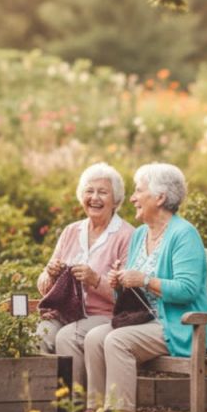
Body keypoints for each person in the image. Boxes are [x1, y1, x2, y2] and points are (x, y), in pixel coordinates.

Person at [84, 163, 207, 412]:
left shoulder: (184, 234)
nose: (132, 198)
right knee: (95, 337)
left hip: (180, 325)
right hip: (143, 321)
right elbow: (131, 291)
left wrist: (143, 279)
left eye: (138, 191)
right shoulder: (140, 234)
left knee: (117, 341)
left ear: (160, 198)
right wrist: (119, 282)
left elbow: (188, 289)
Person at [35, 163, 134, 389]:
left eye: (103, 192)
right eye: (89, 191)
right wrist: (49, 274)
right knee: (39, 334)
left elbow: (129, 298)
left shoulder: (127, 235)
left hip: (105, 315)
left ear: (116, 200)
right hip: (66, 313)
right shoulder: (72, 231)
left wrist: (95, 280)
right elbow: (43, 287)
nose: (95, 198)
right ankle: (46, 409)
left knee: (68, 337)